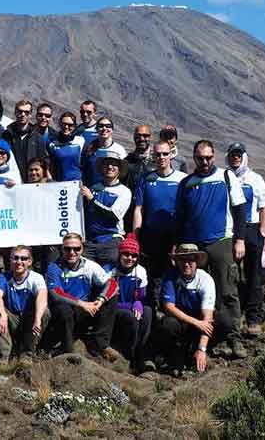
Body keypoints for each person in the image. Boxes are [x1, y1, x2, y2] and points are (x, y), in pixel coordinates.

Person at [174, 140, 247, 358]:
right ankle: (207, 337)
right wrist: (178, 245)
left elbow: (240, 210)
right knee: (200, 293)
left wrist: (240, 239)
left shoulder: (226, 177)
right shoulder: (186, 183)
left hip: (221, 241)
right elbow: (180, 218)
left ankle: (233, 337)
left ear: (213, 156)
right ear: (194, 158)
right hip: (194, 246)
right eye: (200, 158)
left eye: (208, 157)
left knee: (227, 291)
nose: (204, 162)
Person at [46, 233, 119, 359]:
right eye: (67, 249)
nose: (72, 252)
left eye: (76, 249)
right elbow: (56, 293)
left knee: (112, 297)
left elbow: (112, 284)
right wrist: (82, 304)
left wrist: (100, 300)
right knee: (63, 309)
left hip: (85, 311)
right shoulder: (53, 267)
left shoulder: (89, 265)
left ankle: (100, 344)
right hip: (64, 312)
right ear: (62, 249)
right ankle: (67, 349)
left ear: (82, 249)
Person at [226, 142, 265, 335]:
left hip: (251, 229)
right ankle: (233, 315)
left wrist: (262, 231)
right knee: (230, 274)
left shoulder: (255, 179)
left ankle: (253, 318)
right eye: (232, 154)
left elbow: (264, 207)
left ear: (244, 156)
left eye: (238, 154)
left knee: (254, 275)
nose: (235, 158)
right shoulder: (223, 176)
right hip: (230, 229)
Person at [132, 140, 187, 294]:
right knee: (151, 279)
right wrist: (135, 238)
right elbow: (139, 209)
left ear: (171, 155)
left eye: (165, 154)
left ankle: (171, 313)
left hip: (174, 238)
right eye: (158, 154)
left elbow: (186, 211)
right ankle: (151, 313)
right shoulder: (146, 178)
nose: (161, 157)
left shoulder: (182, 179)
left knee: (174, 277)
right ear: (153, 156)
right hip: (150, 238)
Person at [159, 244, 216, 377]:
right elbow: (169, 307)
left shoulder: (205, 280)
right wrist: (196, 322)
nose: (186, 264)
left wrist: (202, 349)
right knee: (168, 324)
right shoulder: (170, 276)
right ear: (177, 262)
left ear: (196, 262)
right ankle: (172, 354)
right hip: (181, 321)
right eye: (182, 260)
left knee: (223, 320)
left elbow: (207, 318)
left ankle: (199, 351)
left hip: (198, 323)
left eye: (190, 260)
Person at [0, 245, 49, 365]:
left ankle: (27, 354)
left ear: (30, 261)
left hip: (29, 319)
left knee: (44, 312)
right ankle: (4, 357)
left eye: (23, 258)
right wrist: (2, 315)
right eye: (15, 258)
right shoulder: (4, 277)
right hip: (12, 319)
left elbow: (42, 297)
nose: (19, 262)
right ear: (10, 260)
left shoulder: (36, 277)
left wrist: (38, 318)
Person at [106, 235, 152, 373]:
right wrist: (129, 306)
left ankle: (140, 352)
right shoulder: (109, 271)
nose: (130, 258)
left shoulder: (141, 271)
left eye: (133, 255)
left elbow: (142, 295)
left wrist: (138, 302)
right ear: (120, 254)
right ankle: (128, 355)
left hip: (131, 306)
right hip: (114, 309)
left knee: (148, 312)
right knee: (129, 317)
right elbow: (107, 298)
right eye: (126, 254)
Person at [82, 155, 131, 266]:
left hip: (111, 240)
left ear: (119, 169)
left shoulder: (124, 191)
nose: (110, 167)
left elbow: (113, 216)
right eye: (107, 164)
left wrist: (92, 199)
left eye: (114, 164)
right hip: (90, 242)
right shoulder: (93, 188)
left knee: (110, 275)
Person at [0, 100, 49, 181]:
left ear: (30, 115)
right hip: (11, 181)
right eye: (20, 111)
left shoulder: (38, 138)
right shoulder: (6, 135)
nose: (23, 114)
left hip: (32, 182)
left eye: (26, 112)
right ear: (15, 113)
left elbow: (44, 161)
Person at [81, 117, 127, 186]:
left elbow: (123, 173)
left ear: (112, 130)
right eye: (101, 126)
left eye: (108, 126)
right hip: (91, 190)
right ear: (96, 129)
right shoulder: (89, 149)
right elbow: (83, 170)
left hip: (111, 190)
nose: (104, 128)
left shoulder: (119, 150)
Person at [47, 112, 85, 182]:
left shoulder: (80, 141)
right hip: (59, 183)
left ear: (74, 126)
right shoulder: (52, 143)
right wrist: (50, 180)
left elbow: (85, 163)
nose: (66, 127)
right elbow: (48, 165)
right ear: (59, 124)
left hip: (77, 182)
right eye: (64, 124)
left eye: (70, 125)